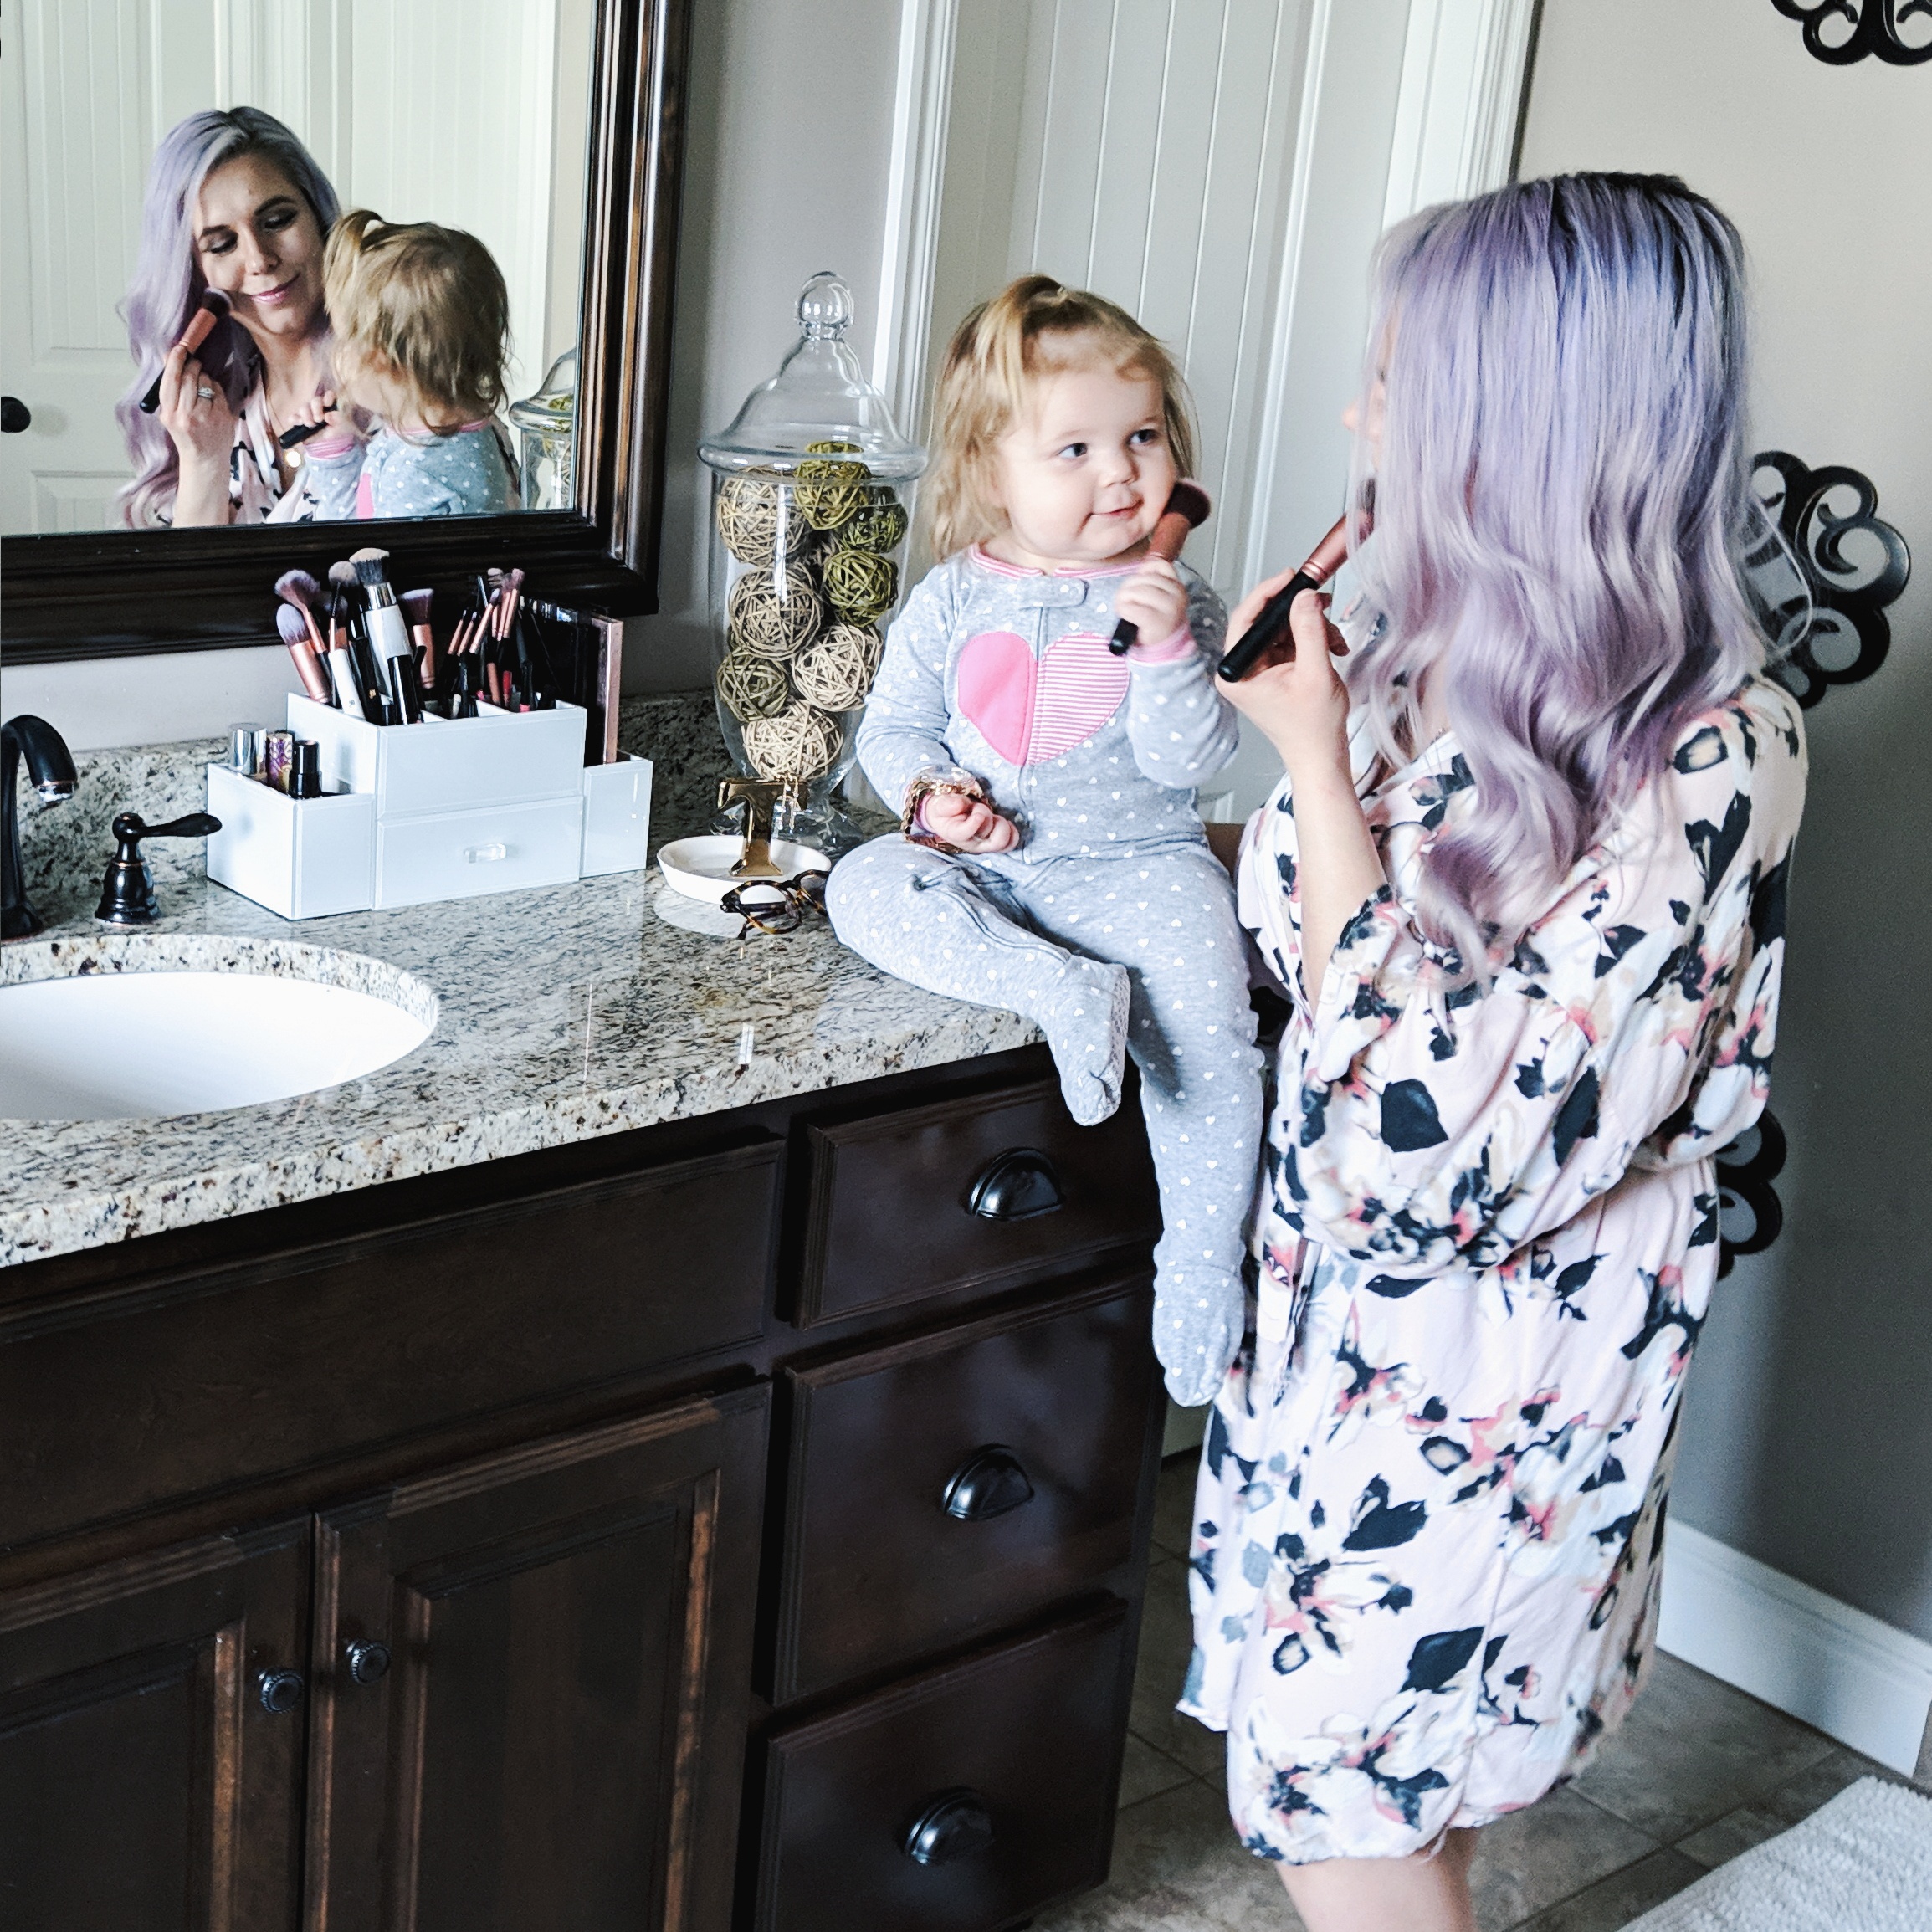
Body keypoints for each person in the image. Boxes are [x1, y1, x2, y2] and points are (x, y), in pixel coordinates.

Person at [1185, 173, 1807, 1932]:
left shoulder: (1700, 755)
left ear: (1515, 423)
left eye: (1391, 378)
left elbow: (1431, 1147)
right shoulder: (1423, 664)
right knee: (1389, 1775)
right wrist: (1289, 714)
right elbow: (1312, 966)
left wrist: (1310, 768)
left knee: (1338, 1796)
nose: (1350, 413)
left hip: (1493, 1363)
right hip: (1348, 1347)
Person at [826, 276, 1264, 1407]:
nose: (1120, 472)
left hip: (1137, 869)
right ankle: (1056, 987)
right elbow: (894, 730)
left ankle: (1203, 1264)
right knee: (865, 883)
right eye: (1072, 448)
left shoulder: (1179, 597)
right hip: (987, 874)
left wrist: (1170, 654)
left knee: (1211, 1024)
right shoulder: (950, 597)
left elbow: (1191, 761)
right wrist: (931, 801)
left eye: (1142, 436)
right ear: (988, 471)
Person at [116, 107, 342, 527]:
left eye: (278, 220)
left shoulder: (401, 385)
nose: (259, 259)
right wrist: (204, 462)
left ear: (320, 220)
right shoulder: (220, 416)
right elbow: (188, 592)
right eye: (222, 244)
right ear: (195, 273)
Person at [297, 210, 518, 520]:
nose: (332, 348)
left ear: (380, 360)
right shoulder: (473, 432)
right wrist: (338, 451)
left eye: (343, 336)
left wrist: (334, 463)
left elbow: (361, 555)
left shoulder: (418, 476)